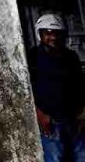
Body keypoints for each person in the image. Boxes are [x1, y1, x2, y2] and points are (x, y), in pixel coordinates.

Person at [29, 13, 85, 162]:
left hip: (74, 121)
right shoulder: (32, 57)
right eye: (48, 33)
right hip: (50, 123)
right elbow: (25, 90)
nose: (53, 37)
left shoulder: (71, 56)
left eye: (57, 33)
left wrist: (82, 115)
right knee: (54, 158)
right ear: (40, 34)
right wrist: (39, 114)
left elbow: (80, 85)